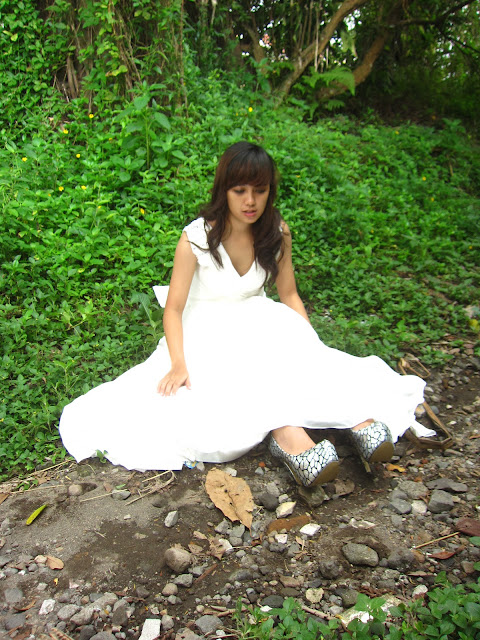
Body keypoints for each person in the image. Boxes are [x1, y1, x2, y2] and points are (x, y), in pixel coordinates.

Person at [59, 142, 433, 488]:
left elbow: (289, 294)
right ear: (224, 190)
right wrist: (178, 364)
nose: (250, 201)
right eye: (240, 191)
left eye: (260, 190)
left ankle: (358, 421)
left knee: (301, 359)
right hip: (206, 330)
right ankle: (290, 437)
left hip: (259, 318)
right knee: (237, 376)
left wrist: (312, 346)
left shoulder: (276, 232)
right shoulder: (196, 238)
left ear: (270, 191)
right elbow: (173, 309)